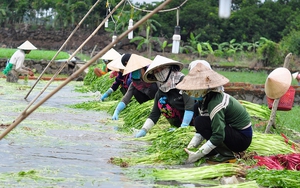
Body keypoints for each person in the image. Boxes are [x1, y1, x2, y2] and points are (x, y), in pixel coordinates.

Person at [176, 62, 253, 164]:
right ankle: (216, 150)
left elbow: (218, 134)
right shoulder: (203, 101)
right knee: (200, 119)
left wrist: (198, 154)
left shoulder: (215, 102)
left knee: (200, 121)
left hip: (241, 138)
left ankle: (227, 155)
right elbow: (201, 131)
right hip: (231, 131)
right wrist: (191, 147)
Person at [134, 55, 195, 138]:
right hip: (178, 124)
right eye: (156, 71)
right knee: (161, 103)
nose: (159, 72)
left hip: (194, 120)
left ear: (170, 68)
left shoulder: (182, 81)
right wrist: (144, 130)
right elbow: (154, 114)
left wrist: (184, 128)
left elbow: (190, 105)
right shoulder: (162, 90)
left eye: (162, 69)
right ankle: (177, 126)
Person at [111, 53, 158, 120]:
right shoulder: (136, 81)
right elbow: (126, 98)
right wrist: (117, 111)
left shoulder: (153, 75)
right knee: (135, 91)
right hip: (148, 101)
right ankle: (148, 110)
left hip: (158, 100)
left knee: (153, 87)